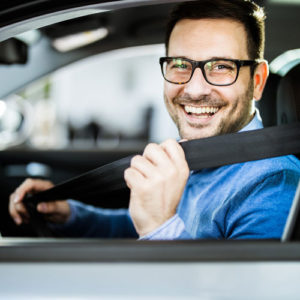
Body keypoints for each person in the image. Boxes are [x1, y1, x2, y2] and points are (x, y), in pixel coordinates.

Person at [9, 0, 300, 239]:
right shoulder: (199, 155)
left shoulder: (273, 184)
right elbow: (138, 223)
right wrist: (70, 214)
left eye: (221, 67)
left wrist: (161, 227)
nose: (195, 89)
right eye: (180, 65)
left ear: (258, 81)